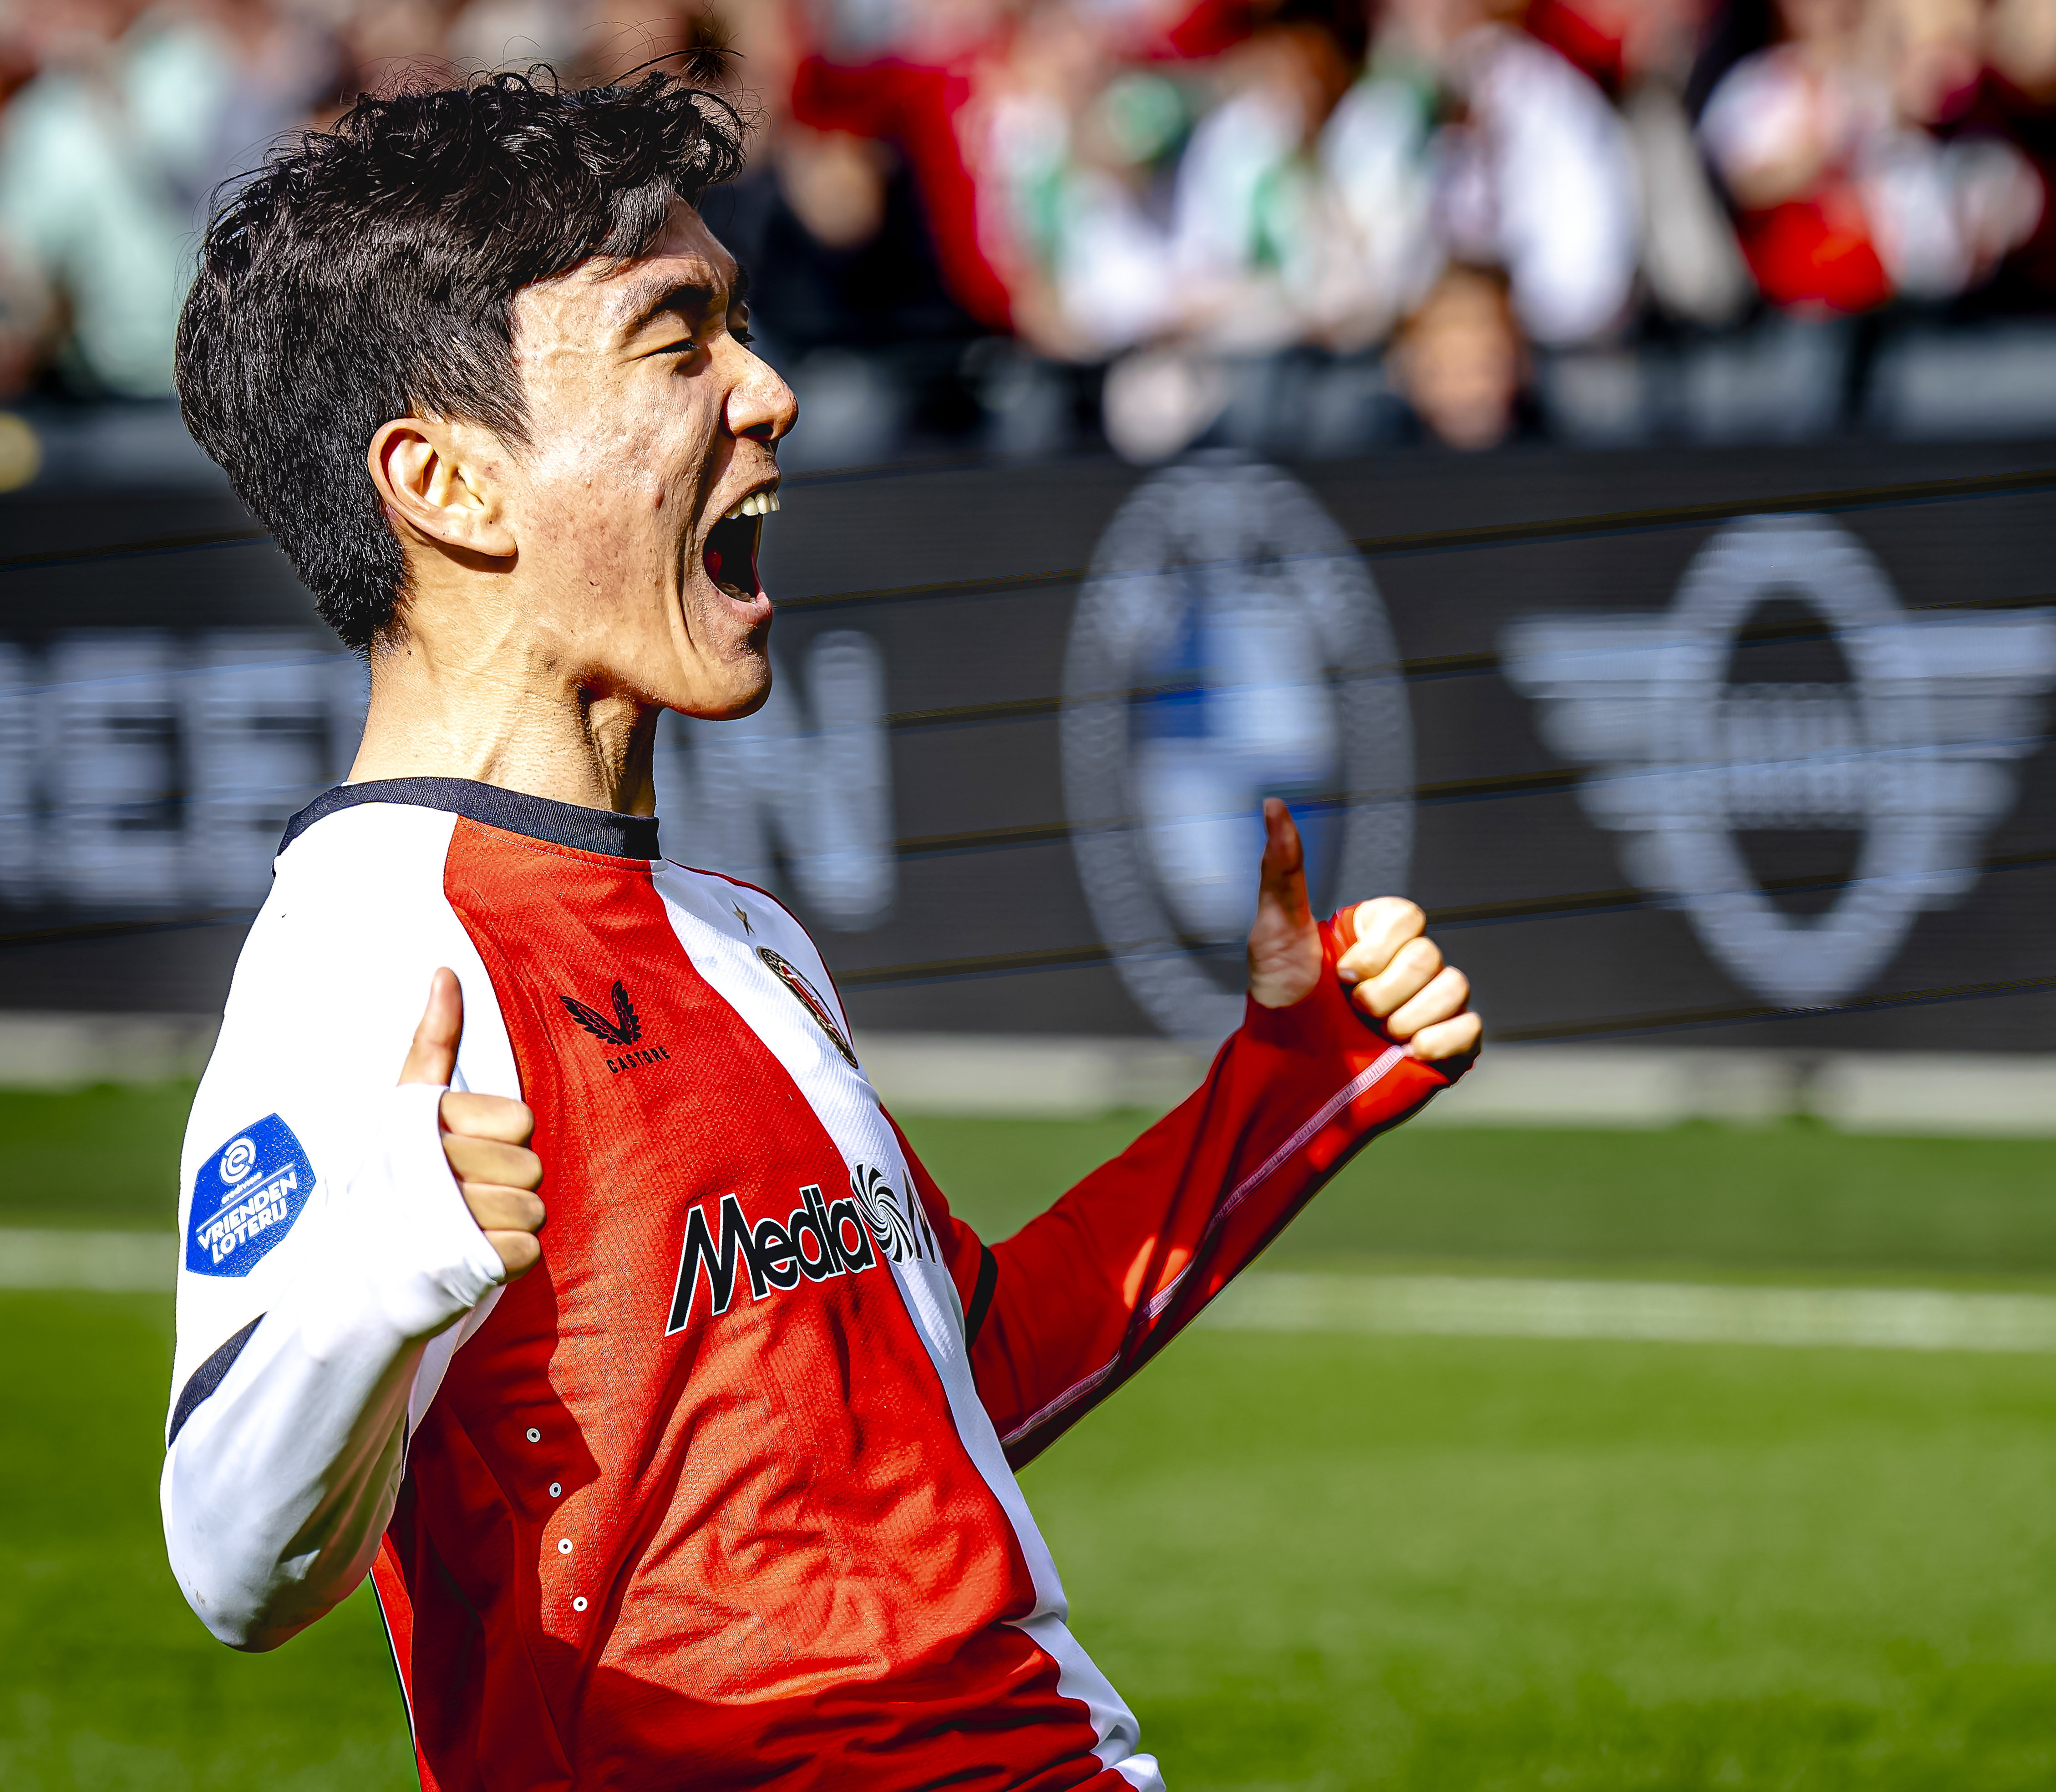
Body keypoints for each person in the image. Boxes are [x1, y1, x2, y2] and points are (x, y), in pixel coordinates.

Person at [159, 69, 1481, 1790]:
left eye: (743, 329)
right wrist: (388, 1260)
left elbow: (958, 1382)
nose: (768, 393)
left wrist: (1295, 1087)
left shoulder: (741, 936)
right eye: (675, 340)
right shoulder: (375, 947)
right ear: (449, 485)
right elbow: (234, 1555)